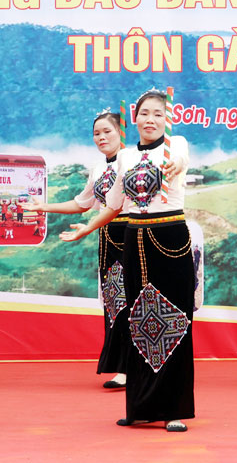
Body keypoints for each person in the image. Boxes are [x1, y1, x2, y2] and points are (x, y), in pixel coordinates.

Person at [64, 90, 192, 432]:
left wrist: (174, 164)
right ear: (134, 119)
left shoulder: (176, 144)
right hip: (134, 240)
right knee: (139, 323)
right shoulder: (124, 157)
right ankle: (141, 406)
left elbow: (180, 160)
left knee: (173, 321)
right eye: (144, 113)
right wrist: (87, 228)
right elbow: (113, 204)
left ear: (167, 119)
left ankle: (174, 409)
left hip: (170, 236)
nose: (151, 120)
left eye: (158, 114)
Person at [23, 110, 129, 390]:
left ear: (121, 133)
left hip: (136, 235)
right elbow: (82, 204)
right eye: (96, 133)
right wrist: (43, 207)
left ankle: (142, 368)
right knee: (116, 303)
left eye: (107, 131)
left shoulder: (133, 161)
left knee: (137, 300)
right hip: (108, 239)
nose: (101, 137)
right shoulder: (98, 168)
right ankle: (123, 368)